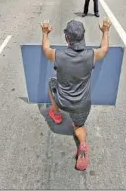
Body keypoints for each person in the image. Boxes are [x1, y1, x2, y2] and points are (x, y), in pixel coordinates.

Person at [41, 18, 112, 171]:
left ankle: (56, 113)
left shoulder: (58, 55)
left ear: (67, 38)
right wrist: (105, 31)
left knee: (52, 82)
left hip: (63, 101)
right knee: (79, 127)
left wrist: (45, 33)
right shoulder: (91, 55)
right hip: (82, 104)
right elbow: (105, 49)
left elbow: (46, 50)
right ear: (83, 37)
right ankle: (83, 145)